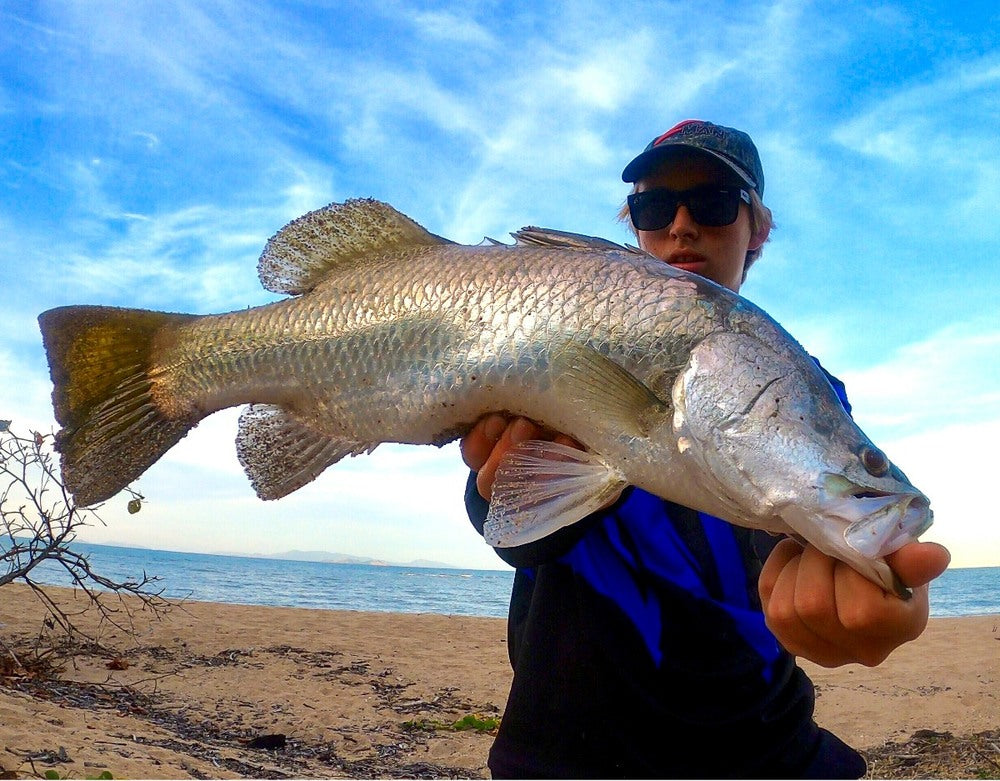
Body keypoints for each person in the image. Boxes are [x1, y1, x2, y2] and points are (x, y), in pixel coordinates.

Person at [460, 120, 951, 779]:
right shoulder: (553, 334)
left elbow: (791, 534)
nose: (681, 226)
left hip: (765, 751)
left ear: (758, 232)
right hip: (565, 754)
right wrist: (492, 484)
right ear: (633, 224)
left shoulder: (808, 391)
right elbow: (518, 537)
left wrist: (878, 591)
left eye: (715, 202)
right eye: (655, 206)